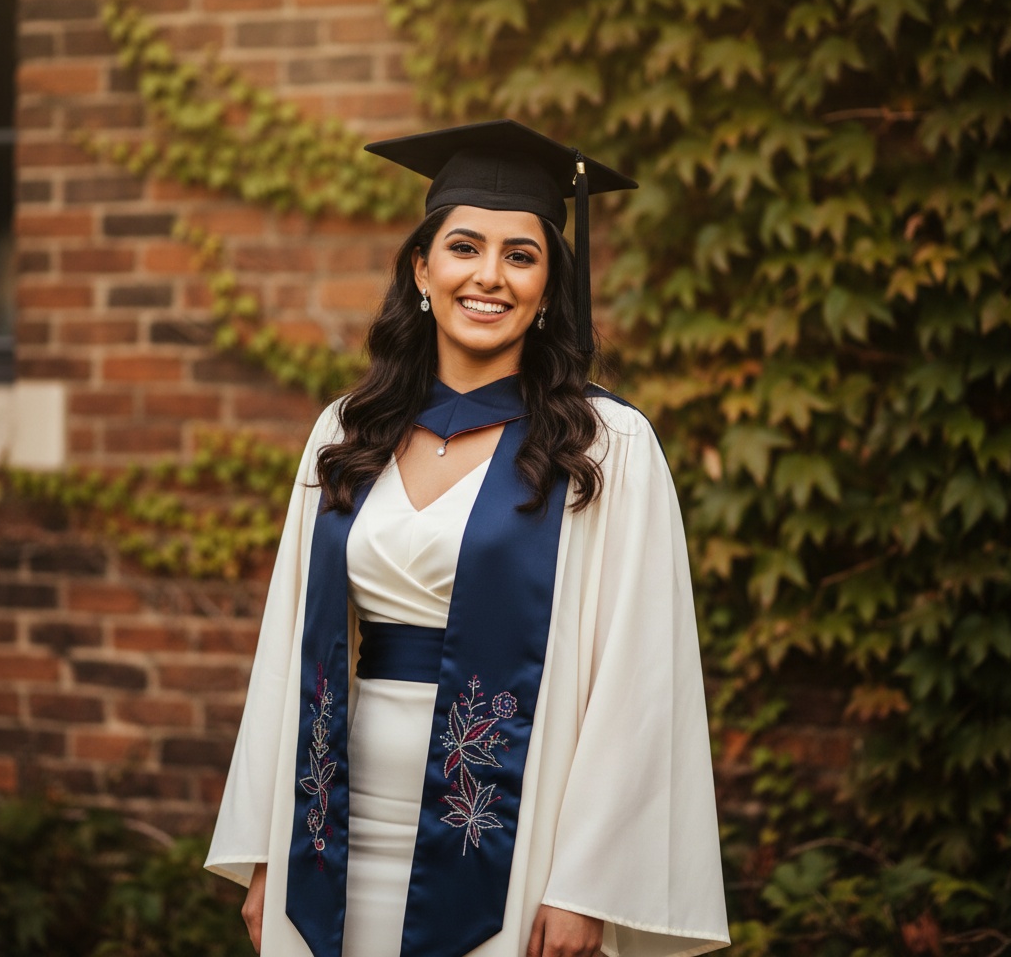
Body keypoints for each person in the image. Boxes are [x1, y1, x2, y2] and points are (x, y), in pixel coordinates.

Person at [205, 120, 730, 957]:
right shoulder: (348, 430)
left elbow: (641, 676)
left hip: (514, 843)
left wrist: (584, 884)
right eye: (463, 247)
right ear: (422, 267)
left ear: (552, 283)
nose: (490, 276)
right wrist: (270, 845)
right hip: (335, 833)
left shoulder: (603, 445)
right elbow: (289, 648)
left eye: (521, 255)